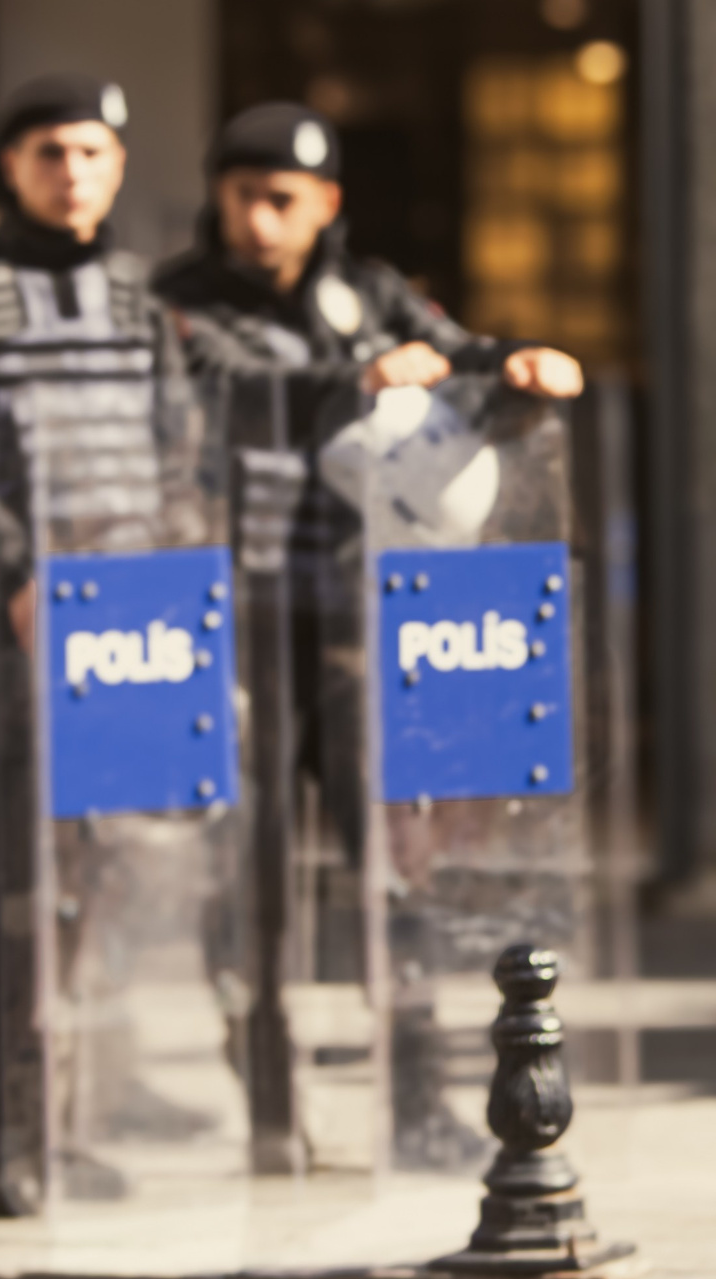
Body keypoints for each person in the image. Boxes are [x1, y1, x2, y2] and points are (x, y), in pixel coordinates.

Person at [151, 100, 583, 1166]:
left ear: (324, 203)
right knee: (246, 878)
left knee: (393, 869)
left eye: (283, 198)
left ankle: (417, 1098)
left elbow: (452, 351)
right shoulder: (177, 303)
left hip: (356, 624)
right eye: (243, 193)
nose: (260, 216)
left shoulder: (369, 293)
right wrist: (350, 381)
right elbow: (208, 400)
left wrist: (520, 362)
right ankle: (266, 1105)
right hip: (235, 617)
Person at [0, 73, 225, 1214]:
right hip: (14, 632)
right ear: (12, 169)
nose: (70, 172)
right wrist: (17, 569)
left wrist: (175, 572)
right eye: (46, 153)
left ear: (117, 167)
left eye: (89, 152)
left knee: (97, 883)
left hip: (129, 635)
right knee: (10, 888)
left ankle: (65, 1113)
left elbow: (180, 460)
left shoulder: (141, 304)